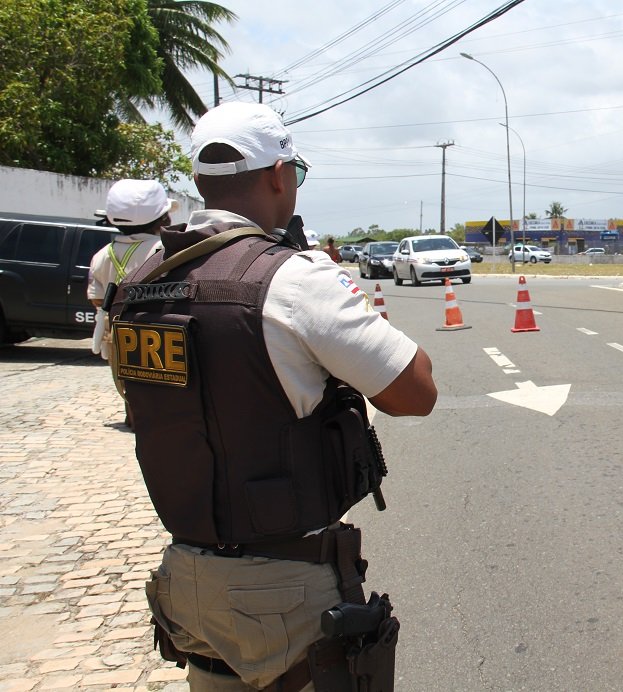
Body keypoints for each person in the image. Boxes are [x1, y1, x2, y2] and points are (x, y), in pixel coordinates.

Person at [109, 101, 437, 690]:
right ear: (281, 176)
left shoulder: (139, 287)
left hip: (187, 581)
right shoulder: (291, 278)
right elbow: (414, 392)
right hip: (284, 596)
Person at [87, 179, 174, 428]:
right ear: (162, 220)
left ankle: (132, 415)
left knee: (125, 375)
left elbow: (95, 297)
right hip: (155, 331)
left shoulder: (102, 254)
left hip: (116, 331)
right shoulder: (163, 250)